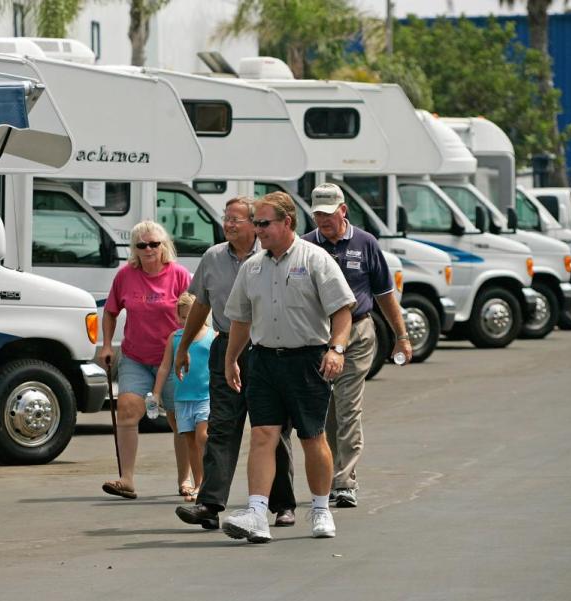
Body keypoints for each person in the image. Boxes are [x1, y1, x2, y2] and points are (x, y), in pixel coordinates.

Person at [221, 191, 356, 543]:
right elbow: (240, 319)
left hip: (308, 359)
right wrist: (231, 358)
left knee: (312, 436)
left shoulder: (316, 260)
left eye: (264, 223)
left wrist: (336, 349)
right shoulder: (252, 266)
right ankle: (256, 513)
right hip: (264, 360)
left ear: (287, 223)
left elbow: (342, 311)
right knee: (263, 434)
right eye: (256, 223)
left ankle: (322, 509)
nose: (258, 230)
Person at [173, 196, 297, 530]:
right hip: (225, 346)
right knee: (222, 426)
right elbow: (200, 304)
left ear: (255, 224)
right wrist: (183, 347)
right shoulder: (213, 257)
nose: (228, 224)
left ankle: (283, 504)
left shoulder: (269, 256)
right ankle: (209, 505)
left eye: (236, 219)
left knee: (270, 428)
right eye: (226, 218)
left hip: (265, 349)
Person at [301, 183, 412, 508]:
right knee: (325, 410)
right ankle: (329, 475)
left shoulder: (366, 243)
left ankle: (345, 482)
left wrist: (401, 336)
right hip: (319, 337)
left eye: (329, 213)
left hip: (359, 333)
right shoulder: (307, 246)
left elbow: (384, 293)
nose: (323, 219)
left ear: (343, 210)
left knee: (348, 407)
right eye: (318, 213)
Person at [99, 220, 191, 499]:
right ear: (134, 249)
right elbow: (110, 311)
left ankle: (185, 479)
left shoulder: (179, 275)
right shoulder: (125, 275)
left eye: (154, 244)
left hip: (173, 357)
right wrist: (106, 345)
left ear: (164, 246)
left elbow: (195, 310)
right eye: (142, 245)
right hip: (136, 356)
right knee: (127, 408)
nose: (149, 249)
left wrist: (191, 346)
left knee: (180, 420)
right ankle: (126, 478)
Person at [151, 292, 214, 502]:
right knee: (189, 442)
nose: (188, 322)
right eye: (184, 317)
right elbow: (164, 367)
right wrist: (157, 393)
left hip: (205, 397)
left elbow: (219, 367)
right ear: (178, 317)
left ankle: (208, 483)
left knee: (202, 437)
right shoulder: (175, 338)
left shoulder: (211, 336)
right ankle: (198, 484)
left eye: (192, 317)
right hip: (182, 399)